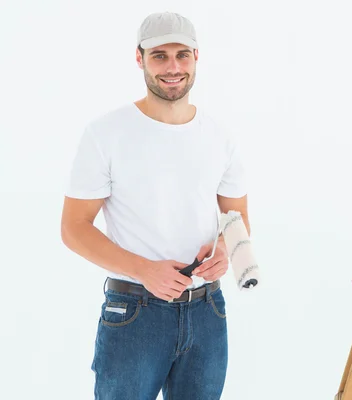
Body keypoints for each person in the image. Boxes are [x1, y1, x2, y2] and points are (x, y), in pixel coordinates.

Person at [60, 11, 250, 400]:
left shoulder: (219, 136)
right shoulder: (106, 133)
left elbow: (237, 218)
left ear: (197, 57)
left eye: (182, 54)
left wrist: (226, 251)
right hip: (135, 313)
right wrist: (144, 270)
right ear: (139, 58)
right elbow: (74, 227)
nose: (173, 67)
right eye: (159, 55)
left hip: (207, 311)